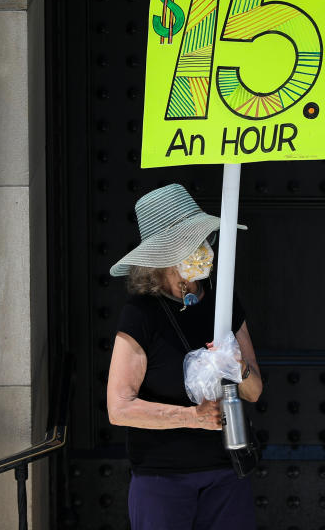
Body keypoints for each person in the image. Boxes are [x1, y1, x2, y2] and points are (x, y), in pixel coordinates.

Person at [106, 183, 262, 530]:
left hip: (226, 472)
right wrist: (193, 417)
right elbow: (119, 408)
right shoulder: (140, 314)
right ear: (162, 254)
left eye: (204, 239)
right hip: (162, 479)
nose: (204, 249)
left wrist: (239, 369)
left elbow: (255, 391)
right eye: (192, 243)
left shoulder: (223, 302)